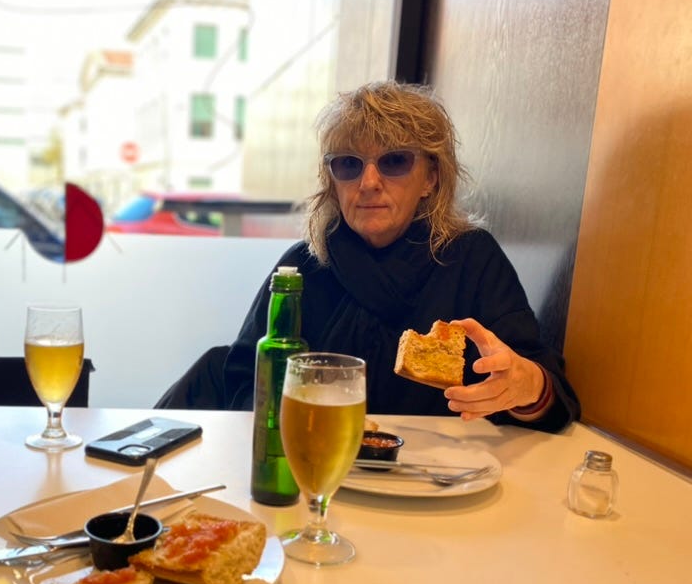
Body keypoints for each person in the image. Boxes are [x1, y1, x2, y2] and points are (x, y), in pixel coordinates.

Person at [157, 80, 580, 432]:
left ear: (431, 177)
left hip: (435, 487)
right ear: (332, 180)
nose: (369, 182)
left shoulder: (471, 260)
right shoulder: (301, 269)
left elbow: (552, 397)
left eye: (394, 161)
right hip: (318, 476)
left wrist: (525, 388)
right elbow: (243, 381)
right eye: (349, 164)